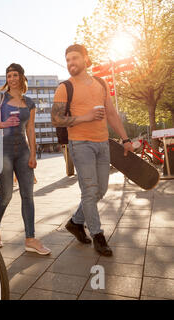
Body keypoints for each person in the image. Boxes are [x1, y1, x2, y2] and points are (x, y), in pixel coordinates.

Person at [51, 44, 133, 256]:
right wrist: (84, 117)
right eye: (68, 59)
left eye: (75, 58)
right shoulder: (64, 87)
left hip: (102, 142)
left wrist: (125, 139)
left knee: (101, 190)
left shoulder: (100, 83)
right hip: (80, 144)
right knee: (89, 191)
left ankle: (76, 222)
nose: (71, 63)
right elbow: (56, 118)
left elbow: (112, 114)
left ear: (86, 59)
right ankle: (98, 235)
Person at [0, 63, 51, 255]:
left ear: (21, 77)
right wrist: (2, 123)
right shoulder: (0, 98)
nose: (11, 78)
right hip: (2, 149)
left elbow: (30, 129)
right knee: (6, 195)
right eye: (9, 75)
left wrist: (32, 154)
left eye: (15, 75)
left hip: (22, 150)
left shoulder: (29, 103)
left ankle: (30, 238)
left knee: (28, 195)